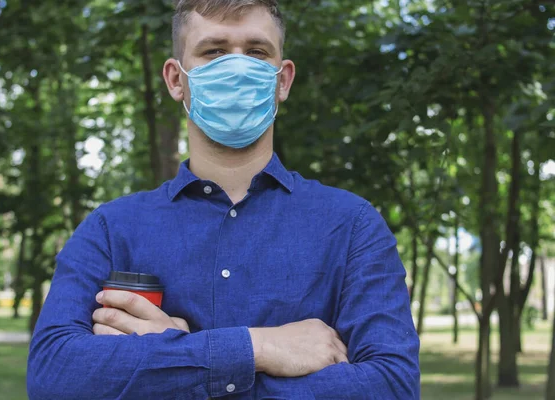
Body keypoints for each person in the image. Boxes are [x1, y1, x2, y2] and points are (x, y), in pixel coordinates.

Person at [27, 0, 420, 399]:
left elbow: (393, 386)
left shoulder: (353, 226)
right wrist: (258, 348)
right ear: (176, 79)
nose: (237, 67)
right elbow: (53, 376)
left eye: (256, 52)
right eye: (213, 51)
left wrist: (170, 363)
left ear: (282, 80)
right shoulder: (111, 229)